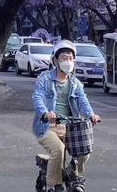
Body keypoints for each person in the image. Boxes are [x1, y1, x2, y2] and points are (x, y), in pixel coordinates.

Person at [32, 39, 101, 192]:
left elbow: (83, 100)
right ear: (56, 60)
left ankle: (72, 173)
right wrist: (45, 113)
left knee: (85, 150)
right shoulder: (44, 78)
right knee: (58, 149)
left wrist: (91, 114)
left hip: (70, 126)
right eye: (64, 57)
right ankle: (53, 185)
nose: (68, 61)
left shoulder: (75, 83)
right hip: (47, 126)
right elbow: (37, 98)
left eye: (70, 58)